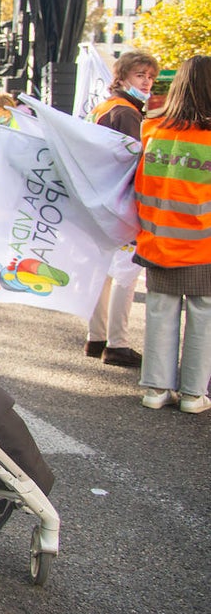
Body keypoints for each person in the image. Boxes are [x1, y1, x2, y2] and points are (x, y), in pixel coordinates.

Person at [133, 55, 211, 414]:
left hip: (158, 240)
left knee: (160, 312)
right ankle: (194, 394)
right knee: (203, 317)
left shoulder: (153, 129)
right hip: (202, 245)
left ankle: (155, 389)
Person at [83, 49, 160, 368]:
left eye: (151, 76)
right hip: (122, 202)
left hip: (102, 199)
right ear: (123, 76)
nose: (147, 82)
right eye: (140, 75)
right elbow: (134, 163)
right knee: (126, 273)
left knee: (104, 272)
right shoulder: (127, 112)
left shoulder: (107, 106)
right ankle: (117, 342)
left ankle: (97, 336)